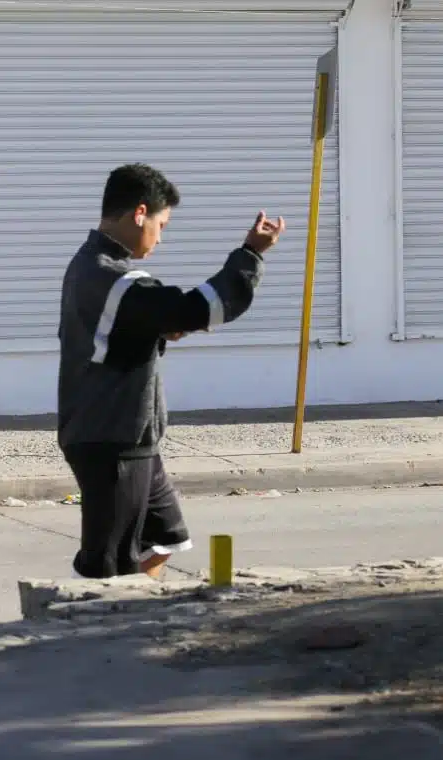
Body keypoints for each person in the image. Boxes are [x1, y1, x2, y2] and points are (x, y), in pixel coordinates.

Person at [56, 162, 285, 580]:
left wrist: (161, 327)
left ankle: (137, 620)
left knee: (167, 539)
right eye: (161, 224)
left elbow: (120, 333)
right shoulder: (115, 279)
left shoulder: (89, 266)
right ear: (139, 213)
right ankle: (84, 636)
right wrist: (250, 253)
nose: (160, 237)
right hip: (112, 439)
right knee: (108, 570)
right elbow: (201, 307)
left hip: (126, 435)